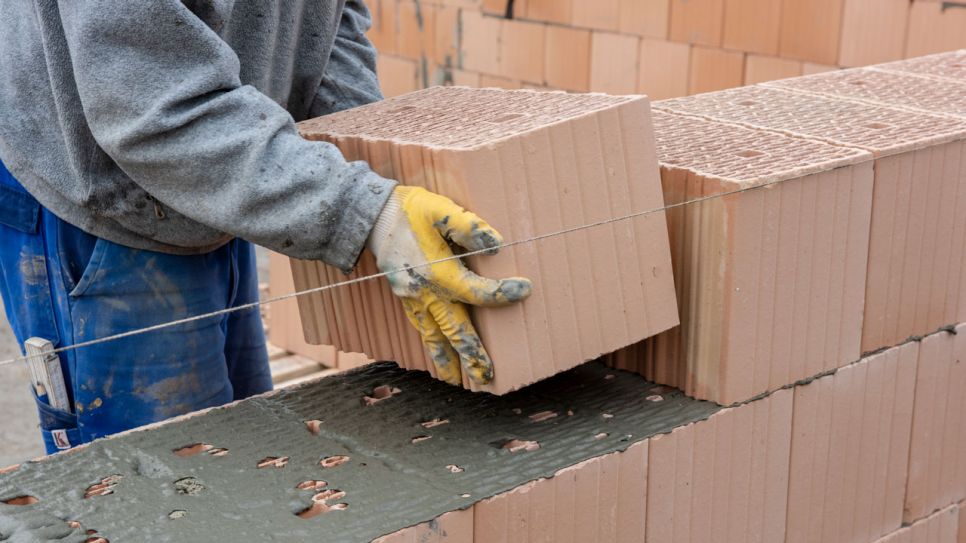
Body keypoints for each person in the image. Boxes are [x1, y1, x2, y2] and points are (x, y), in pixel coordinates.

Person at [0, 1, 530, 454]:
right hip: (98, 200)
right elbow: (147, 106)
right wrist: (360, 210)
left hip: (207, 175)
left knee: (243, 454)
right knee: (167, 490)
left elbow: (327, 26)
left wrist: (365, 161)